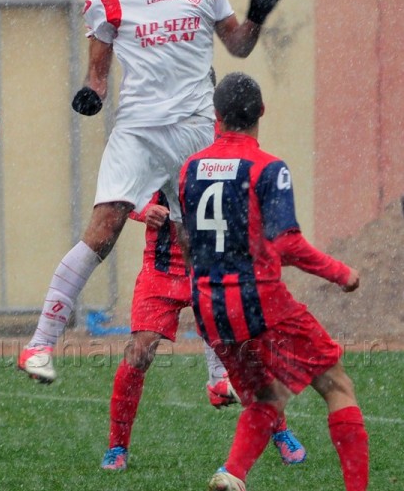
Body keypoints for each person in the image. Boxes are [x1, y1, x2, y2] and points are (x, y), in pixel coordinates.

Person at [19, 0, 285, 384]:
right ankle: (39, 345)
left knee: (201, 246)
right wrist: (88, 97)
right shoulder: (108, 1)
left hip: (197, 131)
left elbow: (239, 46)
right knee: (103, 231)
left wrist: (259, 16)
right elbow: (96, 78)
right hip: (138, 132)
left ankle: (216, 372)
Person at [178, 72, 394, 491]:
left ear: (217, 118)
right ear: (261, 112)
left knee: (266, 396)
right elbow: (288, 244)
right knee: (336, 383)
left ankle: (231, 474)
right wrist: (341, 273)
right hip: (260, 301)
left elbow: (188, 239)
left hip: (211, 306)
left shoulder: (190, 168)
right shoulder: (268, 168)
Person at [101, 190, 306, 471]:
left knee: (243, 349)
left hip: (208, 267)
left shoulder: (210, 157)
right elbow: (124, 193)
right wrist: (144, 210)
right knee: (139, 352)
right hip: (159, 272)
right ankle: (117, 447)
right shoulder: (155, 153)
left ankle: (280, 430)